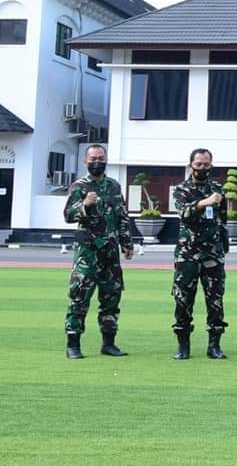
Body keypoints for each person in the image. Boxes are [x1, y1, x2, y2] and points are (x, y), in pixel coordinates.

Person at [63, 144, 134, 359]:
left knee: (111, 298)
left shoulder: (114, 186)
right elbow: (68, 215)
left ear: (106, 160)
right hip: (87, 252)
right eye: (93, 158)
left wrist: (127, 243)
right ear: (85, 161)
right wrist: (84, 205)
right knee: (79, 298)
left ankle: (108, 343)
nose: (97, 162)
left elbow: (122, 216)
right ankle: (73, 344)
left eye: (101, 158)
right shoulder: (79, 186)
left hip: (110, 252)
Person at [171, 148, 229, 360]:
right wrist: (205, 202)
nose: (202, 168)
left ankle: (214, 345)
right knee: (183, 300)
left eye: (206, 164)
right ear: (190, 165)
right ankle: (183, 345)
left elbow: (223, 219)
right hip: (188, 254)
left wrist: (223, 244)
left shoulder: (218, 189)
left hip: (213, 254)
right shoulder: (181, 189)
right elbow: (184, 214)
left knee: (215, 300)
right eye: (198, 164)